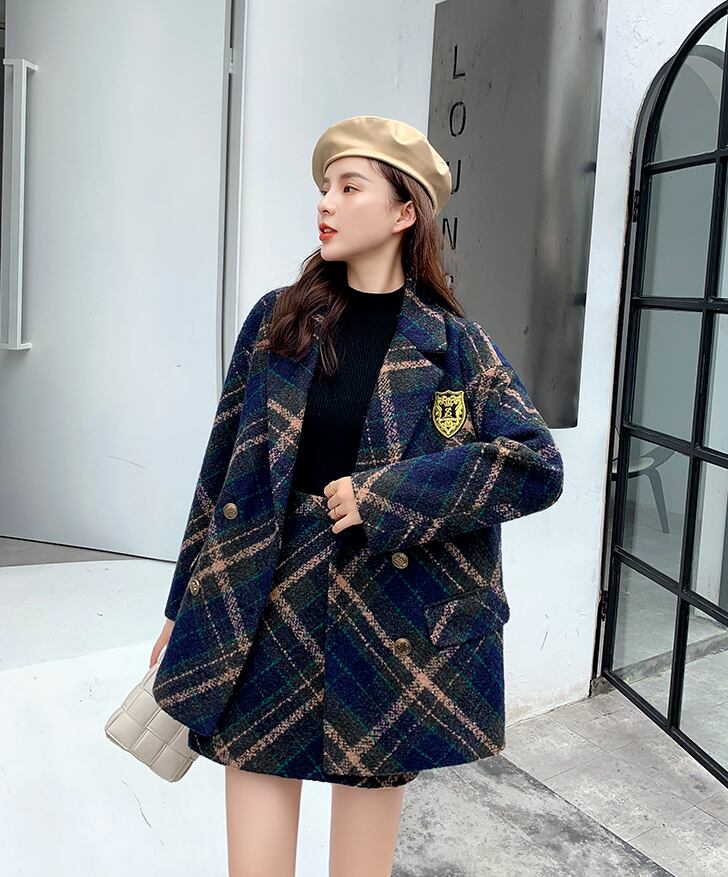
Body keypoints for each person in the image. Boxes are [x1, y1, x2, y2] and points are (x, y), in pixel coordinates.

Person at [149, 115, 564, 877]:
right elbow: (220, 471)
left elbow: (535, 463)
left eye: (349, 187)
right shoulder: (277, 320)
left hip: (389, 615)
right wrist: (182, 607)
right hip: (266, 595)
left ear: (404, 211)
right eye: (324, 188)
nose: (326, 203)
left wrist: (385, 497)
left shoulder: (456, 344)